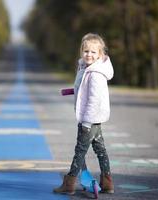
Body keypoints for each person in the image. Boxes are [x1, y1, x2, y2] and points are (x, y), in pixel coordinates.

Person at [53, 33, 114, 195]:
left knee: (80, 150)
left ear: (100, 54)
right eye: (86, 51)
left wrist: (86, 122)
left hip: (89, 119)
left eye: (93, 52)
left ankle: (69, 183)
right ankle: (107, 182)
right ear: (82, 52)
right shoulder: (85, 68)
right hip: (95, 118)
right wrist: (70, 91)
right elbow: (84, 90)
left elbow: (94, 99)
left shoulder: (94, 74)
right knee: (100, 149)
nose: (89, 54)